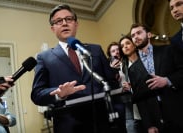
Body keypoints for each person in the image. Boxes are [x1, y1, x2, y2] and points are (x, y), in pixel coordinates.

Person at [31, 4, 123, 133]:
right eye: (58, 21)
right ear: (53, 28)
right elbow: (37, 94)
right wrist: (58, 93)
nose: (64, 23)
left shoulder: (95, 50)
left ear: (76, 24)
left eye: (69, 19)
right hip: (69, 125)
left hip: (103, 121)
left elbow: (111, 82)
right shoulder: (44, 57)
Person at [129, 23, 183, 133]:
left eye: (139, 33)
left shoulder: (168, 50)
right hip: (157, 120)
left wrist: (167, 80)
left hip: (178, 109)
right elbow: (140, 99)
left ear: (149, 34)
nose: (135, 37)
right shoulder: (133, 69)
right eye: (133, 35)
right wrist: (148, 125)